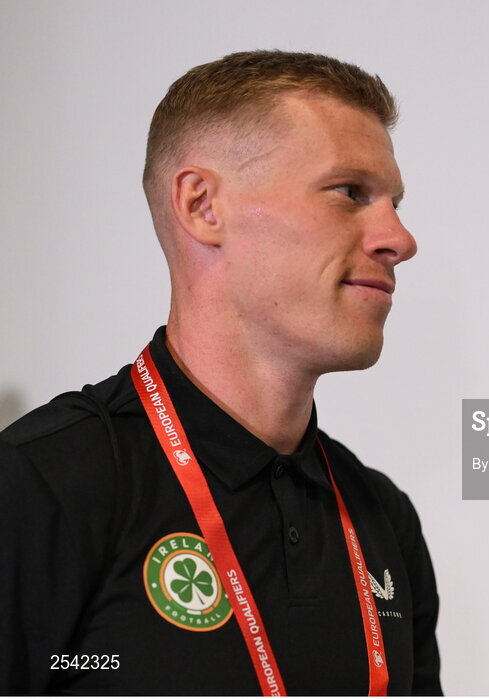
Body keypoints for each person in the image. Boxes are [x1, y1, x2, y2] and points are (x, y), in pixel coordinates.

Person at [0, 50, 441, 695]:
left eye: (394, 202)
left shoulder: (382, 519)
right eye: (350, 193)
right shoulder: (44, 483)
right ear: (203, 206)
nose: (399, 238)